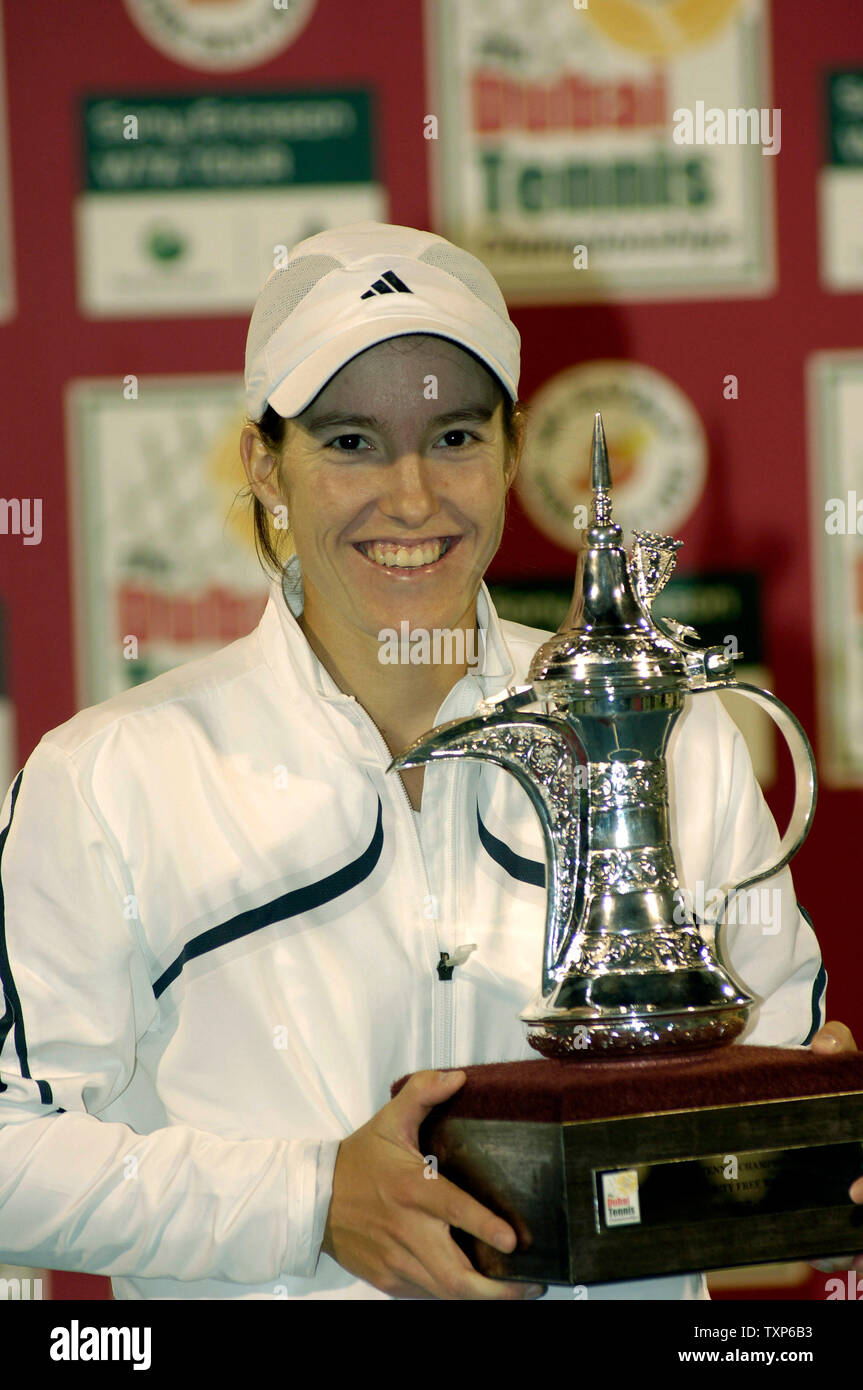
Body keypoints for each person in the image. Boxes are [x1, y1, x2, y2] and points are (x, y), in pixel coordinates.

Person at [0, 221, 859, 1302]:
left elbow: (777, 1111)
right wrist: (311, 1201)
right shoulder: (109, 779)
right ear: (265, 464)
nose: (410, 498)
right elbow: (12, 1149)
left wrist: (814, 1163)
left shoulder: (671, 740)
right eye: (351, 441)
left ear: (510, 453)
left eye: (453, 437)